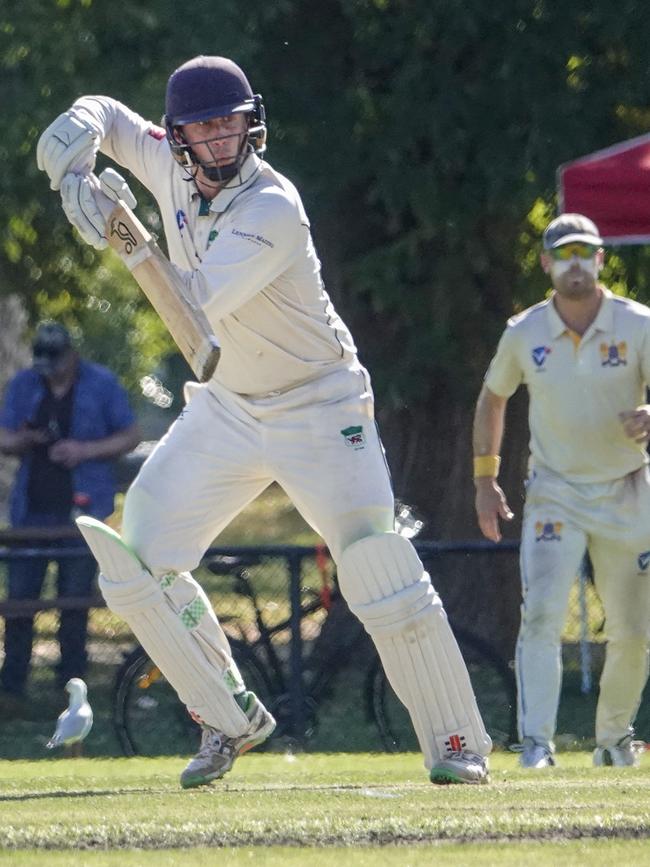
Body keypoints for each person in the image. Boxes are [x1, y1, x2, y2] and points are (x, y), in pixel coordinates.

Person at [36, 55, 491, 788]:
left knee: (378, 563)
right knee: (138, 558)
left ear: (254, 124)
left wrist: (120, 234)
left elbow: (191, 312)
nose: (221, 142)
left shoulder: (273, 208)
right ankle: (228, 715)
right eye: (205, 128)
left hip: (320, 404)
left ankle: (457, 740)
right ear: (179, 136)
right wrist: (77, 139)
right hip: (227, 406)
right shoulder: (168, 160)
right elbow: (113, 119)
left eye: (233, 124)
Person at [473, 213, 650, 769]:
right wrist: (484, 480)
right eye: (563, 253)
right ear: (546, 263)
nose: (575, 263)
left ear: (600, 260)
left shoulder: (638, 324)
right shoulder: (524, 331)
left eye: (585, 253)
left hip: (627, 488)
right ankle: (536, 745)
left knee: (633, 628)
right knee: (542, 614)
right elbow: (493, 398)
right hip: (554, 491)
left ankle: (613, 740)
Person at [0, 322, 140, 699]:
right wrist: (26, 439)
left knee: (75, 600)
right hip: (31, 510)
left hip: (84, 511)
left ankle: (72, 685)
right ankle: (13, 686)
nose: (50, 371)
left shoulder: (101, 384)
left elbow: (130, 435)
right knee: (20, 600)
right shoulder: (26, 384)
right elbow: (4, 436)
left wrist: (83, 450)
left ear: (72, 355)